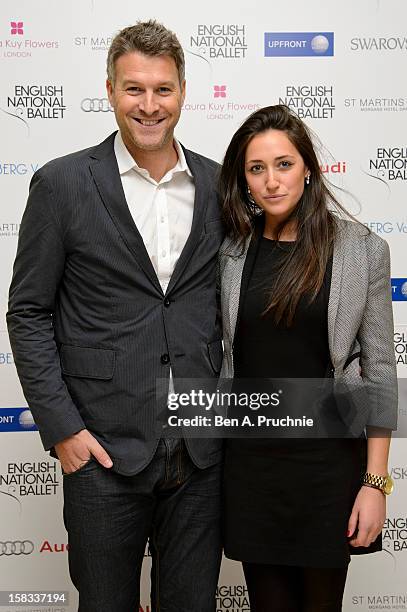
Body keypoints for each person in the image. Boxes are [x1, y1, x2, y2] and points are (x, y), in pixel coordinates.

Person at [7, 20, 224, 612]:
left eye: (163, 89)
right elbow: (27, 311)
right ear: (109, 90)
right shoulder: (62, 184)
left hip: (201, 456)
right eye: (134, 89)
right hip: (101, 450)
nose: (149, 106)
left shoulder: (219, 183)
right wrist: (65, 433)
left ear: (183, 91)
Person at [218, 105, 397, 612]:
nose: (271, 181)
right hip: (252, 470)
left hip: (327, 471)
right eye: (257, 168)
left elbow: (380, 372)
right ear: (243, 178)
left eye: (284, 164)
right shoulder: (230, 251)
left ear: (309, 168)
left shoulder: (362, 249)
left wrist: (375, 484)